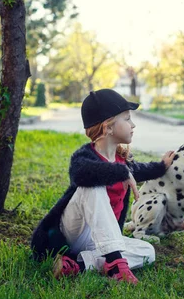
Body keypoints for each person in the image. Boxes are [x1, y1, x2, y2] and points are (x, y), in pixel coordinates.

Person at [31, 89, 175, 284]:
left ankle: (78, 265)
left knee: (147, 252)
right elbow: (81, 174)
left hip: (103, 241)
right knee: (93, 186)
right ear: (108, 127)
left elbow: (140, 169)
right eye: (127, 119)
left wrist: (162, 165)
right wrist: (122, 173)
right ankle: (115, 263)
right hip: (74, 233)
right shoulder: (84, 157)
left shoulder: (122, 160)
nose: (133, 125)